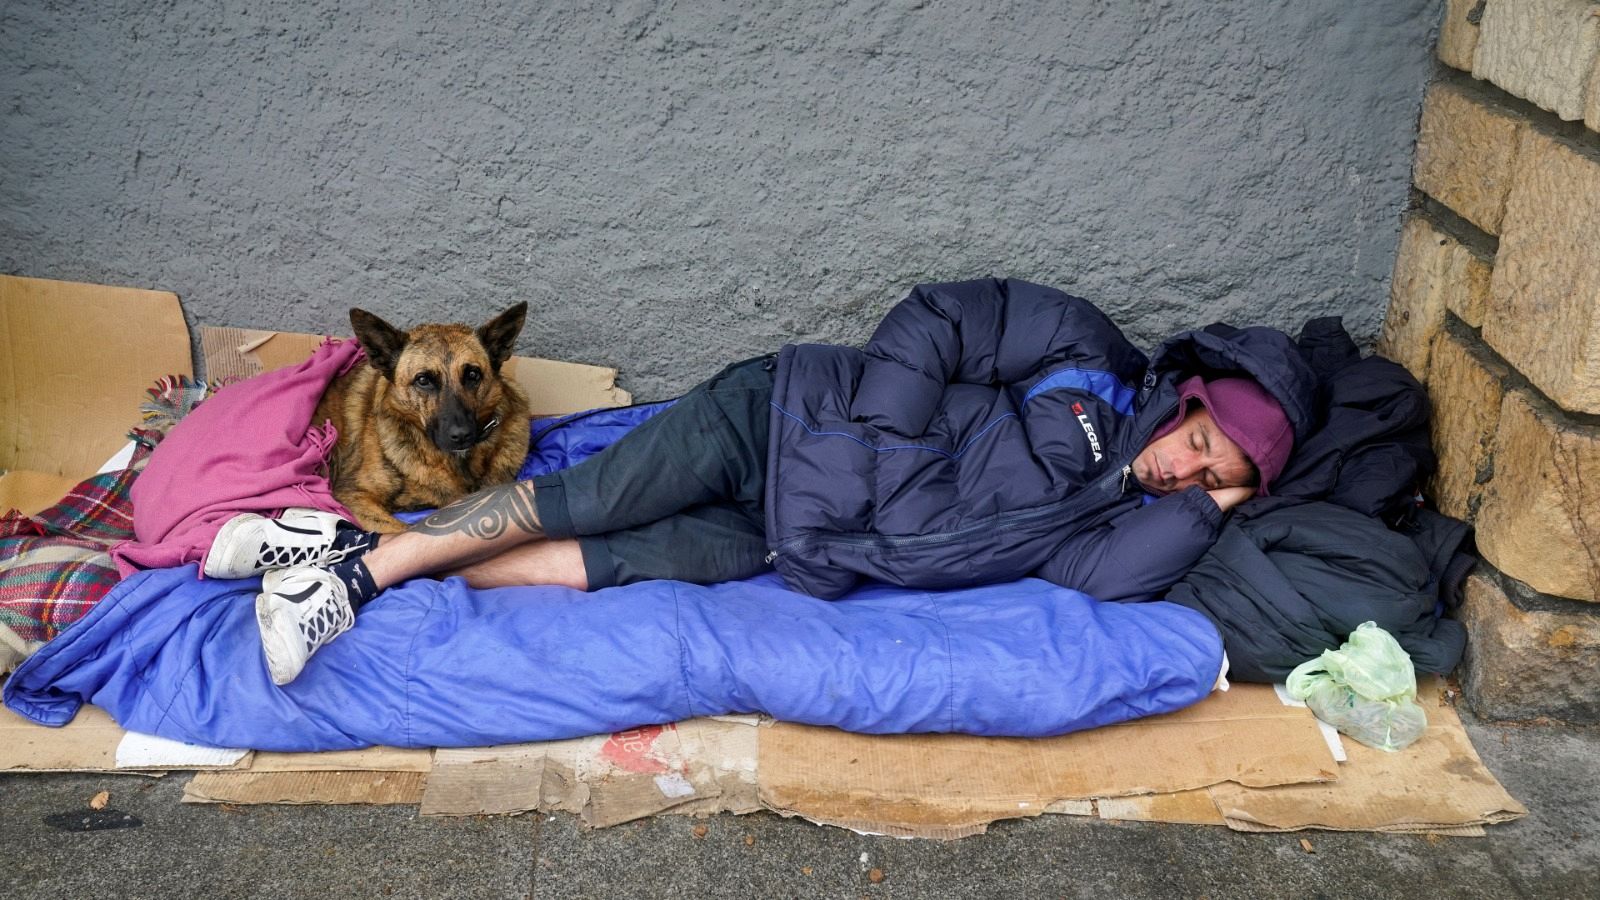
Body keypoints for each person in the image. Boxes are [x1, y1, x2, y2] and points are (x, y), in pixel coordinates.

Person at [205, 278, 1314, 685]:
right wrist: (884, 456)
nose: (1187, 465)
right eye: (1200, 443)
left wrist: (1197, 513)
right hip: (779, 422)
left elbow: (1109, 583)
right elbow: (936, 319)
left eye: (1212, 476)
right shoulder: (1087, 354)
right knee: (591, 495)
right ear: (1194, 397)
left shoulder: (1116, 511)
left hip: (794, 546)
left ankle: (349, 560)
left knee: (605, 564)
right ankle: (350, 582)